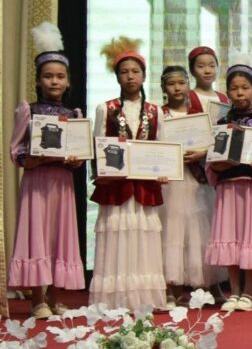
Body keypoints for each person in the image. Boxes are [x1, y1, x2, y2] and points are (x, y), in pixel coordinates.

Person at [8, 23, 85, 317]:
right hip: (37, 182)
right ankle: (37, 299)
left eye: (60, 76)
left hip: (62, 183)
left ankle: (56, 298)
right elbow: (16, 151)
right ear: (39, 81)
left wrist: (76, 160)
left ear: (68, 82)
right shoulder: (29, 110)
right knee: (37, 234)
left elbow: (80, 154)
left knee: (58, 236)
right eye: (48, 76)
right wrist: (33, 158)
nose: (54, 81)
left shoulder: (73, 114)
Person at [91, 37, 168, 311]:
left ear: (144, 76)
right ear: (117, 77)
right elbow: (98, 147)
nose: (130, 76)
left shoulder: (155, 111)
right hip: (117, 188)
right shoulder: (106, 108)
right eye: (124, 72)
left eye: (135, 71)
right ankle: (114, 301)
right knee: (117, 238)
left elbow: (162, 147)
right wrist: (103, 171)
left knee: (143, 240)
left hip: (145, 188)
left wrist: (164, 171)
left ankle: (146, 299)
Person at [206, 61, 252, 312]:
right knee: (231, 236)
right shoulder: (221, 123)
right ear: (228, 91)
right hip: (227, 188)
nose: (239, 93)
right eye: (234, 88)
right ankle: (234, 291)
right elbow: (212, 163)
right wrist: (222, 164)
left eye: (245, 88)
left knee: (251, 236)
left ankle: (249, 292)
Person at [159, 66, 219, 308]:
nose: (177, 88)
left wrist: (202, 153)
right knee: (173, 230)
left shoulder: (199, 115)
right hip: (172, 182)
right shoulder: (159, 114)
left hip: (197, 180)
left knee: (198, 229)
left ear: (188, 85)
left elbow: (213, 144)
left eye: (181, 83)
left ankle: (203, 287)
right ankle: (171, 288)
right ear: (163, 87)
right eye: (171, 83)